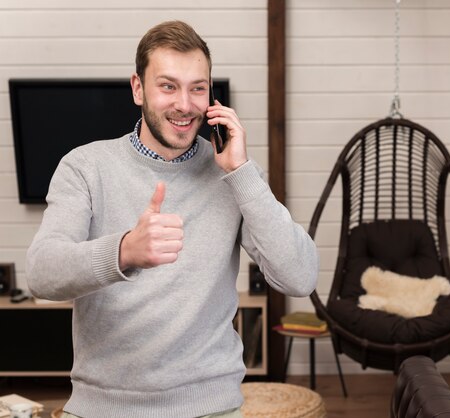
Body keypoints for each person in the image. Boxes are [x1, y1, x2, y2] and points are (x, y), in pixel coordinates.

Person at [26, 20, 318, 418]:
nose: (185, 104)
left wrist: (242, 172)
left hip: (212, 407)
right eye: (168, 86)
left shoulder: (233, 174)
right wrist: (125, 250)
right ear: (138, 88)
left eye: (197, 88)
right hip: (102, 408)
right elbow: (42, 274)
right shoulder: (85, 167)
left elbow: (299, 277)